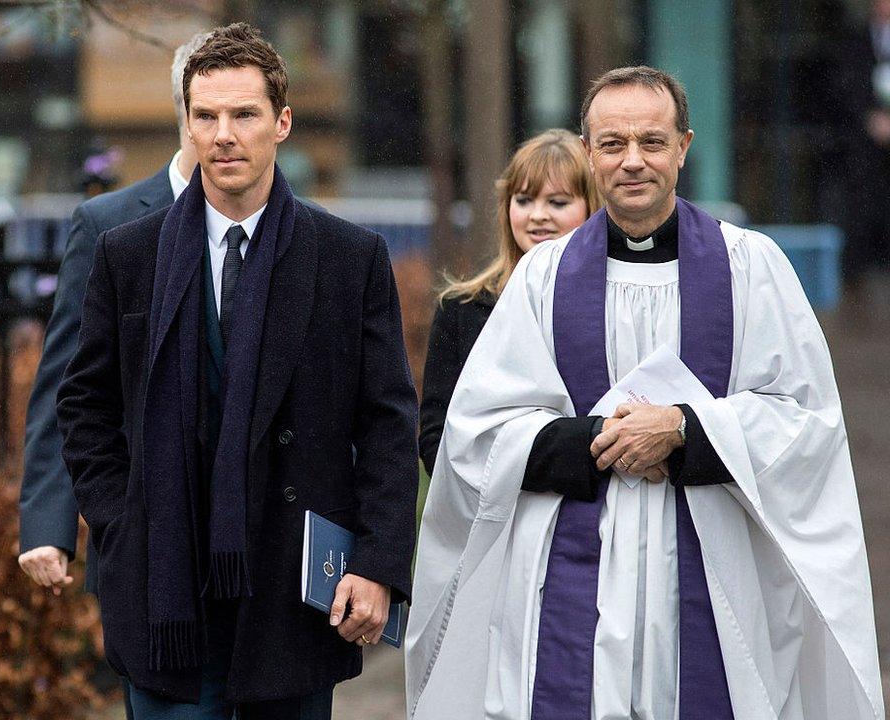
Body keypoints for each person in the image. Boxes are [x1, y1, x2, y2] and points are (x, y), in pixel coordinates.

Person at [406, 66, 883, 720]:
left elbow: (804, 423)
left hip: (713, 580)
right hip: (565, 583)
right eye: (612, 143)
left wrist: (686, 431)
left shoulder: (752, 269)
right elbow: (475, 433)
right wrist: (600, 439)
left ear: (684, 147)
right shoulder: (543, 277)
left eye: (652, 142)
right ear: (589, 153)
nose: (633, 161)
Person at [57, 22, 418, 720]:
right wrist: (123, 523)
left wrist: (377, 564)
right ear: (187, 126)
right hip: (165, 594)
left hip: (293, 598)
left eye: (244, 114)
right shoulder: (126, 256)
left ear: (281, 122)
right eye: (206, 116)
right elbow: (85, 408)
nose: (223, 134)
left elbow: (386, 426)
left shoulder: (349, 258)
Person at [18, 30, 210, 599]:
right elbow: (71, 379)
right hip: (142, 539)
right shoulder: (110, 225)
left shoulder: (303, 231)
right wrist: (49, 523)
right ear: (186, 111)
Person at [418, 129, 600, 475]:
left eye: (558, 202)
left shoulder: (614, 308)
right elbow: (437, 442)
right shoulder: (461, 308)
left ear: (593, 208)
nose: (537, 215)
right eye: (524, 199)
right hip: (494, 515)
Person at [838, 0, 890, 297]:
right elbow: (847, 85)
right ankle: (859, 270)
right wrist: (870, 118)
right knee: (862, 201)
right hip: (863, 142)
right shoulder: (856, 40)